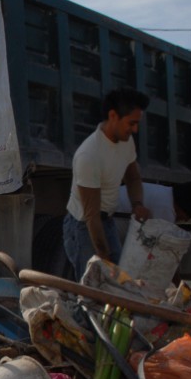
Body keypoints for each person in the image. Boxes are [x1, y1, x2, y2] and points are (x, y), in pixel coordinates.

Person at [63, 88, 150, 279]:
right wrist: (105, 260)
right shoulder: (89, 155)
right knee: (94, 290)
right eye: (131, 123)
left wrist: (137, 204)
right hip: (83, 227)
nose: (135, 129)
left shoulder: (126, 142)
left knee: (118, 284)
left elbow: (133, 177)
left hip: (106, 222)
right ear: (113, 116)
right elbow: (91, 217)